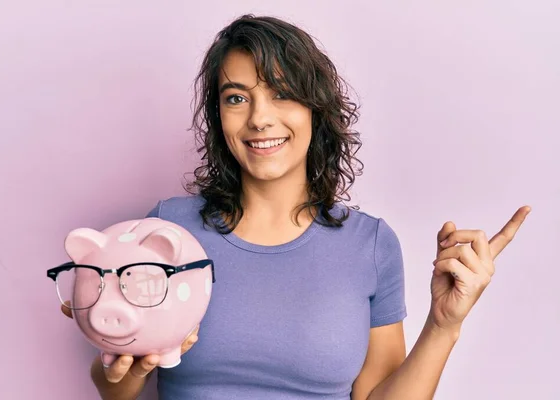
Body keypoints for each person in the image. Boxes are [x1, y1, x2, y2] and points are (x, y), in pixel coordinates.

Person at [61, 14, 530, 400]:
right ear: (219, 117)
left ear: (315, 109)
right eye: (237, 98)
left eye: (282, 93)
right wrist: (126, 364)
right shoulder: (167, 228)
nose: (260, 117)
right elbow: (115, 388)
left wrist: (444, 325)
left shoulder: (370, 245)